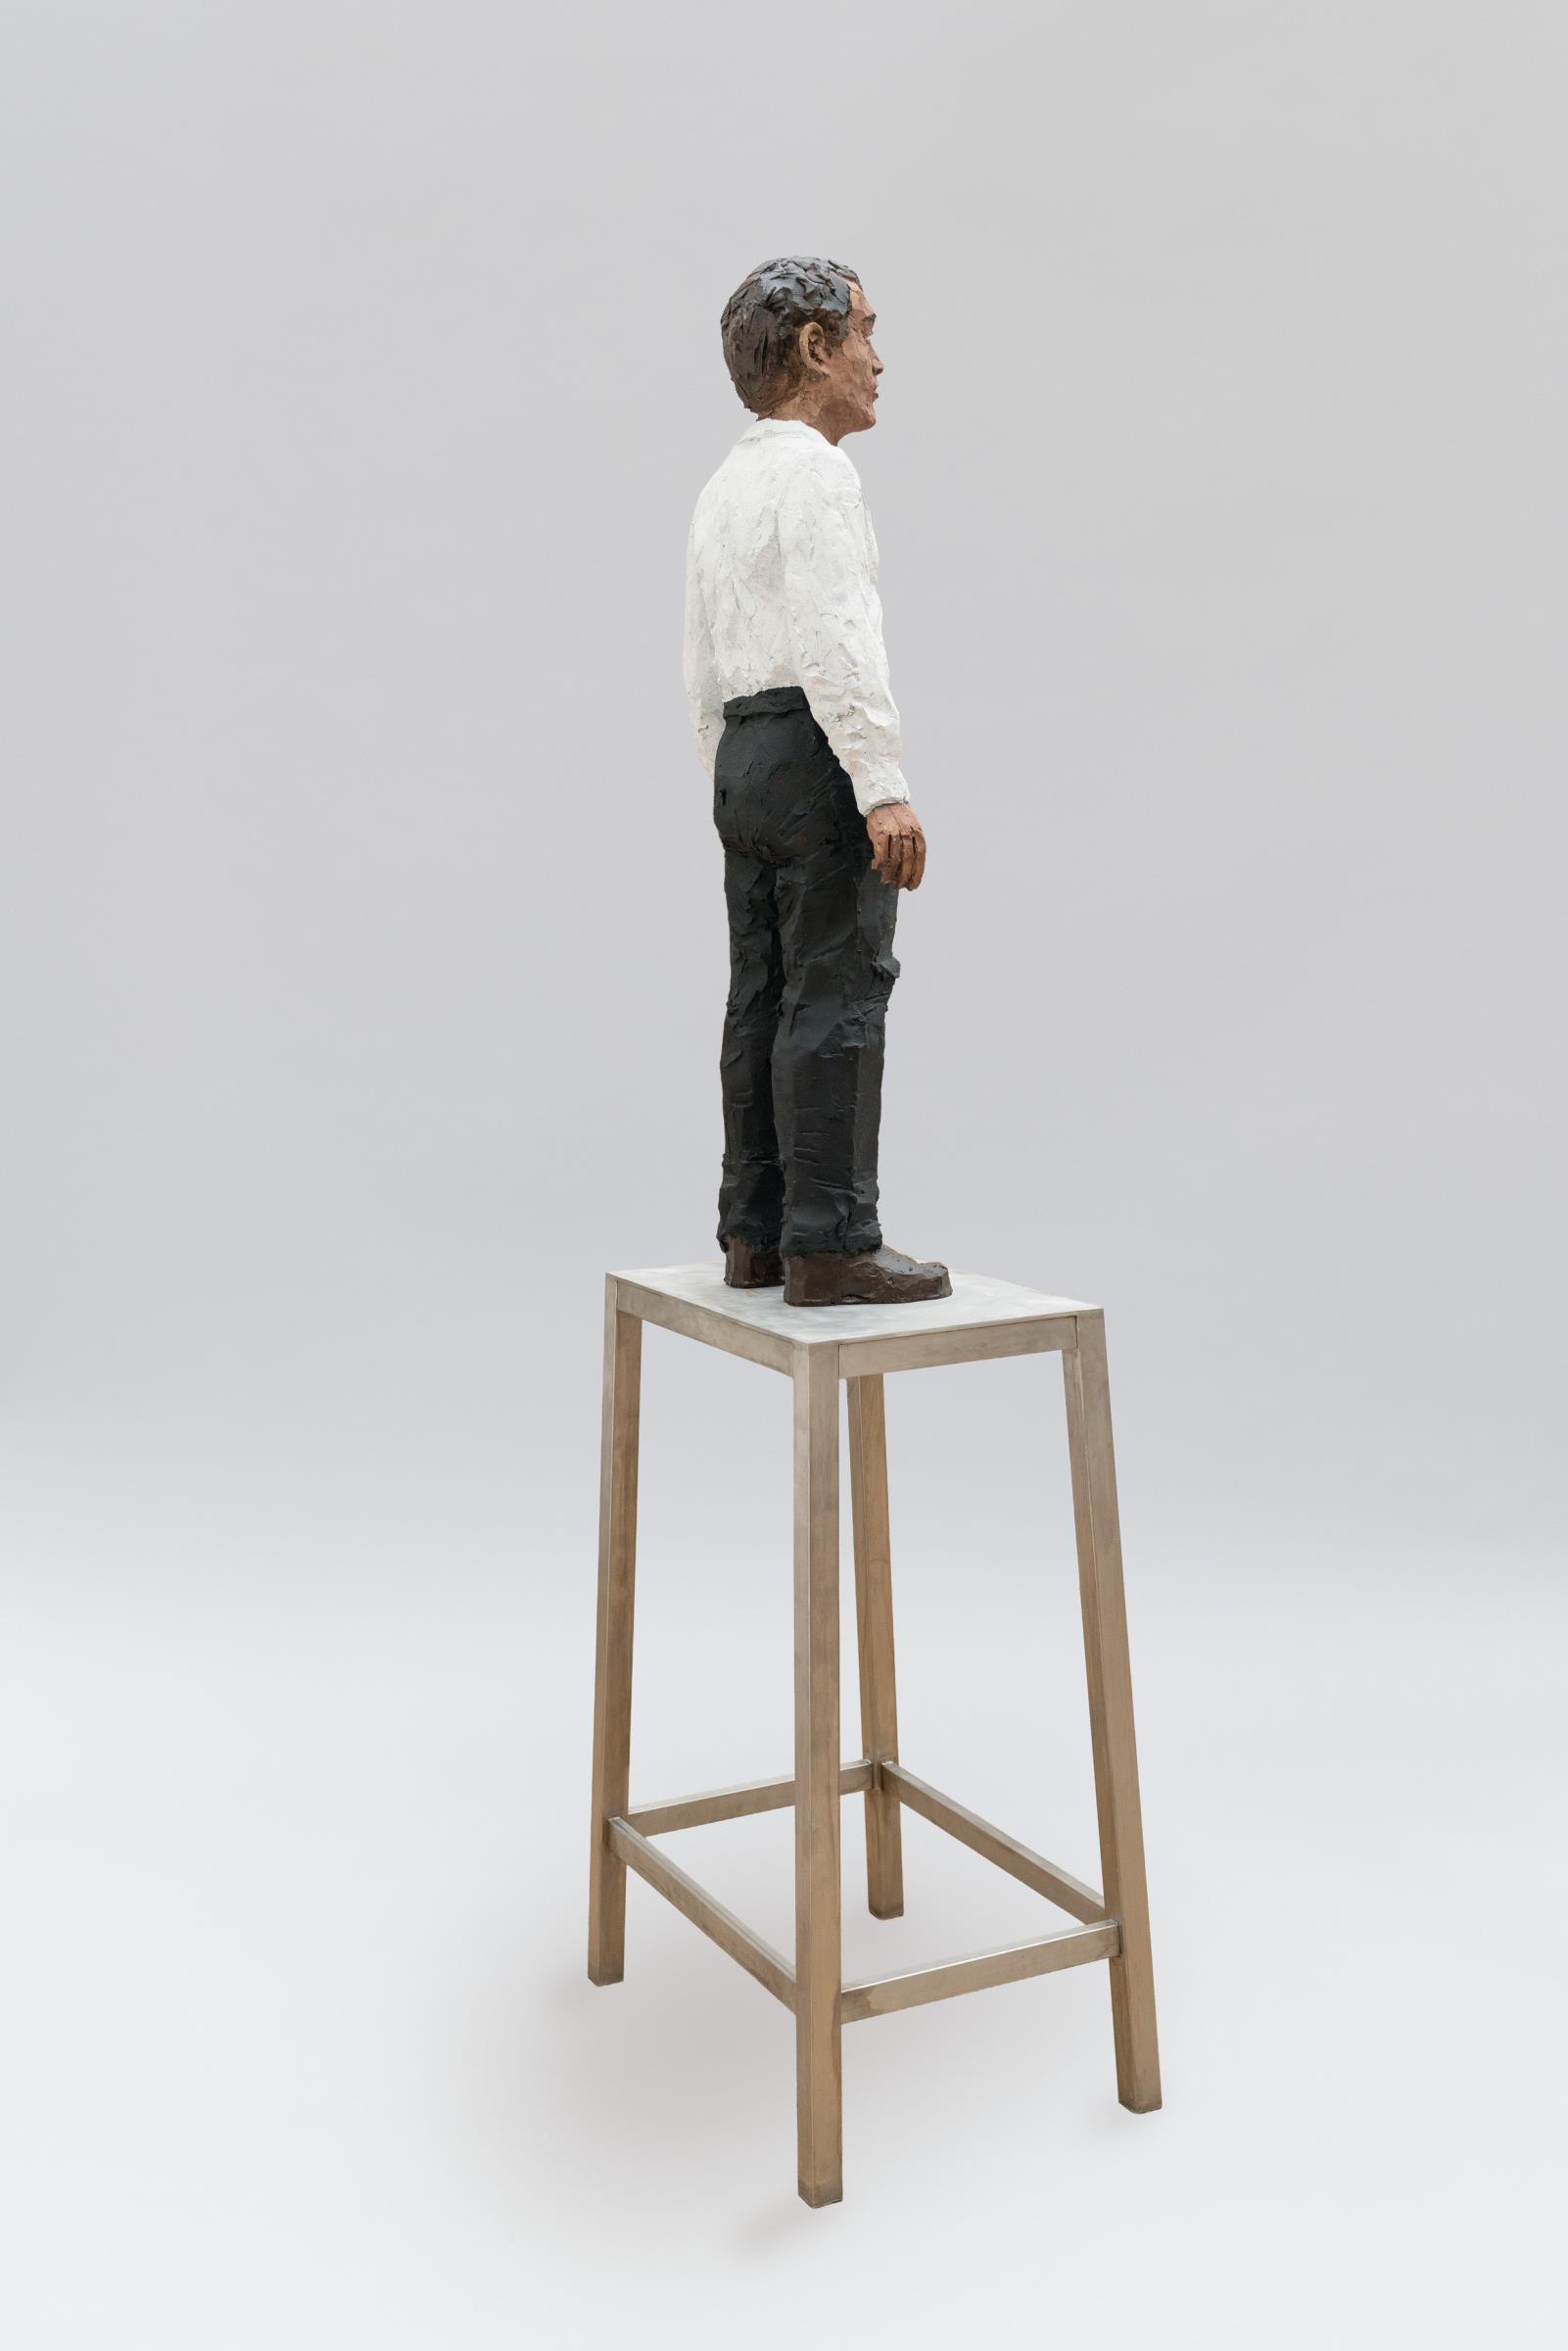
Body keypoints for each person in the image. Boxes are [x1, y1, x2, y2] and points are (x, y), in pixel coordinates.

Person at [683, 256, 951, 1308]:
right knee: (837, 993)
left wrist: (721, 774)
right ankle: (831, 1240)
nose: (877, 360)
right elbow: (836, 637)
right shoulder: (818, 475)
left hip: (744, 758)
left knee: (757, 995)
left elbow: (700, 655)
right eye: (864, 333)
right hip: (812, 752)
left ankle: (753, 1233)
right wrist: (879, 783)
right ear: (812, 347)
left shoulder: (724, 483)